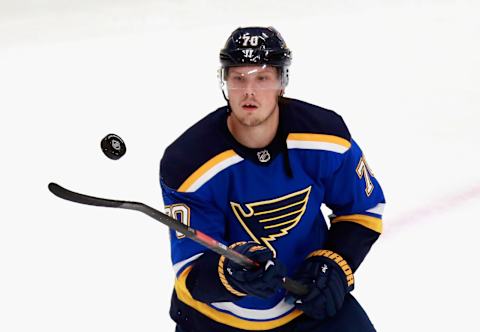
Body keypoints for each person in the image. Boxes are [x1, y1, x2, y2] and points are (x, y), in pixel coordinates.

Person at [160, 26, 385, 332]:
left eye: (262, 78)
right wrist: (231, 272)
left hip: (308, 307)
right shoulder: (189, 163)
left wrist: (332, 262)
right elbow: (191, 275)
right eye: (239, 78)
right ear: (224, 81)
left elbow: (362, 210)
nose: (249, 91)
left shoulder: (326, 139)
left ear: (282, 83)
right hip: (216, 322)